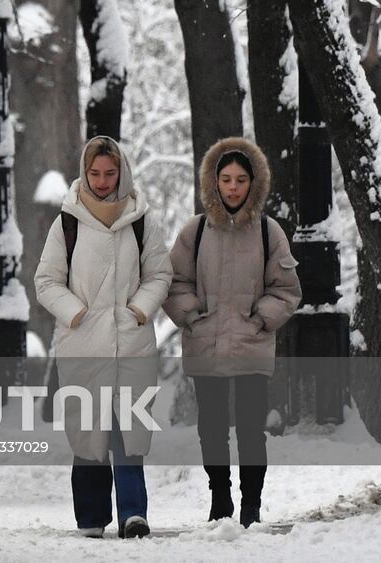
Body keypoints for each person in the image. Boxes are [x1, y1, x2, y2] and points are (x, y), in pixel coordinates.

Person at [35, 136, 171, 539]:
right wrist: (77, 312)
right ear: (84, 172)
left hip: (131, 340)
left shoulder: (142, 219)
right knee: (89, 431)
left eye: (110, 173)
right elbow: (45, 281)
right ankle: (91, 518)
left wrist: (139, 310)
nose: (102, 181)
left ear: (122, 172)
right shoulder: (68, 222)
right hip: (83, 342)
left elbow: (160, 274)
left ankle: (134, 514)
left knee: (128, 428)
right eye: (95, 173)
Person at [162, 138, 301, 528]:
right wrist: (191, 317)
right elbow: (174, 282)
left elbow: (287, 289)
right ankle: (220, 498)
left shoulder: (269, 232)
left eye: (241, 179)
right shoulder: (197, 230)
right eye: (226, 179)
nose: (234, 186)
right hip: (205, 343)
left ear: (253, 182)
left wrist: (259, 320)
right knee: (211, 428)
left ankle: (251, 504)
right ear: (214, 182)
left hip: (252, 345)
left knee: (251, 431)